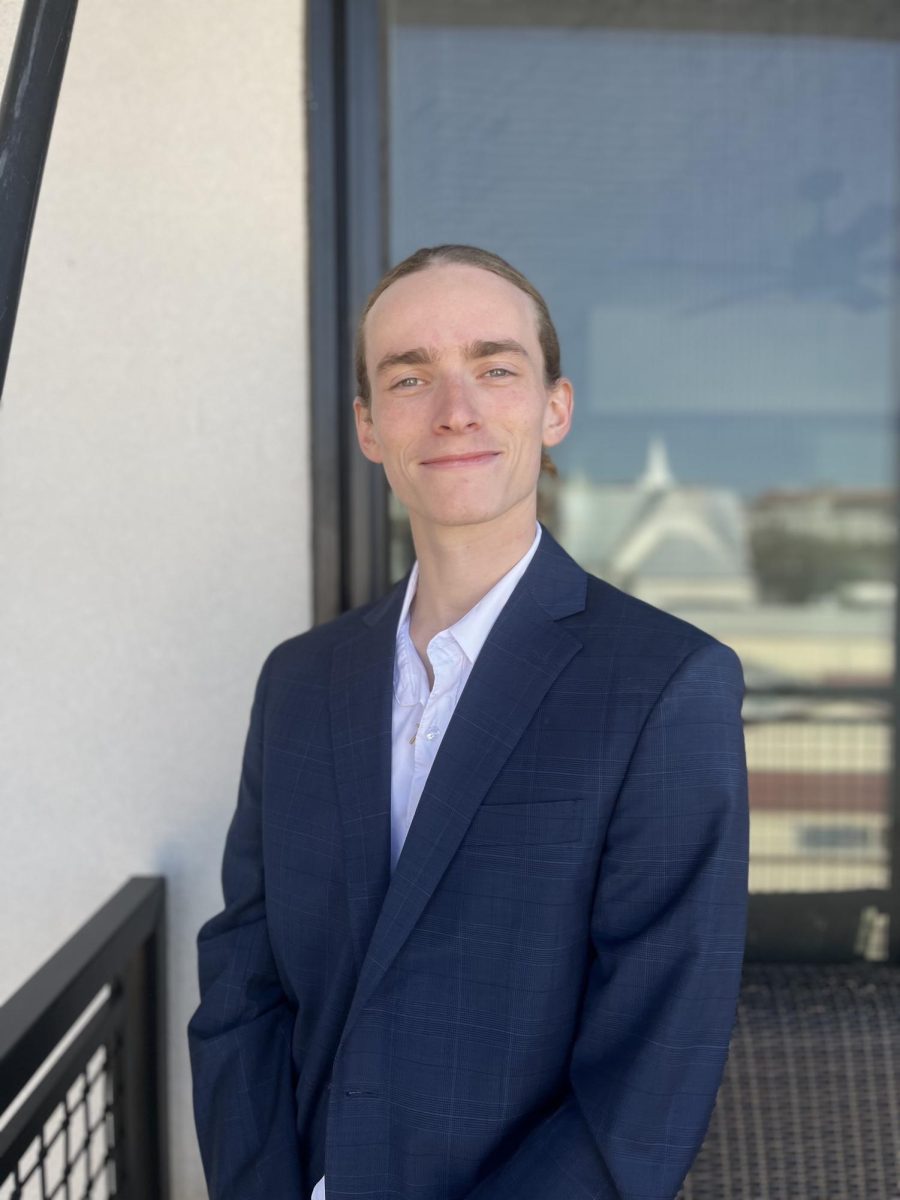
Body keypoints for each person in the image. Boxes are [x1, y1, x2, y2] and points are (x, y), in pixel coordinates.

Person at [187, 244, 749, 1200]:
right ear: (368, 426)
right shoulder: (300, 682)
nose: (455, 408)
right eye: (410, 378)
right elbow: (243, 985)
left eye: (495, 367)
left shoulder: (666, 683)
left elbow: (653, 1069)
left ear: (554, 407)